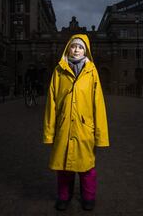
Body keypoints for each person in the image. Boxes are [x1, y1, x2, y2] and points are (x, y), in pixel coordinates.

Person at [43, 34, 109, 211]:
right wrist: (49, 133)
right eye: (73, 46)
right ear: (68, 48)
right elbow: (52, 103)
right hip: (63, 127)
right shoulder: (59, 70)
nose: (77, 50)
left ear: (85, 51)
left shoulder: (92, 71)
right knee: (63, 168)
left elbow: (99, 104)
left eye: (81, 47)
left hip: (84, 128)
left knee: (87, 167)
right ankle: (64, 196)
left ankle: (88, 197)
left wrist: (101, 136)